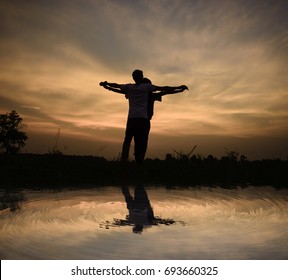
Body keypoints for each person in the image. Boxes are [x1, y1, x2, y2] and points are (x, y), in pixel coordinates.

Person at [100, 69, 188, 163]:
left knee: (127, 140)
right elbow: (164, 89)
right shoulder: (147, 89)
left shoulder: (130, 88)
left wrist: (107, 85)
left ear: (133, 77)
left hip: (132, 119)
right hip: (143, 120)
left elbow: (117, 87)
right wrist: (179, 88)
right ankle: (139, 160)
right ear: (142, 79)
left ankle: (124, 160)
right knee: (141, 142)